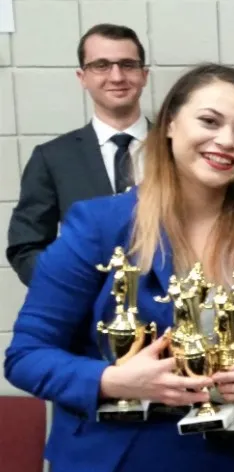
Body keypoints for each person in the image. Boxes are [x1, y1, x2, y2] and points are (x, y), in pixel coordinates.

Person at [4, 63, 234, 472]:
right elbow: (26, 354)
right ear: (169, 125)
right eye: (209, 121)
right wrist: (112, 379)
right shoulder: (99, 225)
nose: (226, 141)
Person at [8, 23, 152, 285]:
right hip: (85, 318)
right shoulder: (52, 158)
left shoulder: (178, 148)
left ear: (144, 75)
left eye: (128, 65)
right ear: (82, 77)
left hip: (173, 314)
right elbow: (26, 245)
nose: (117, 76)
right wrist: (65, 288)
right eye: (101, 65)